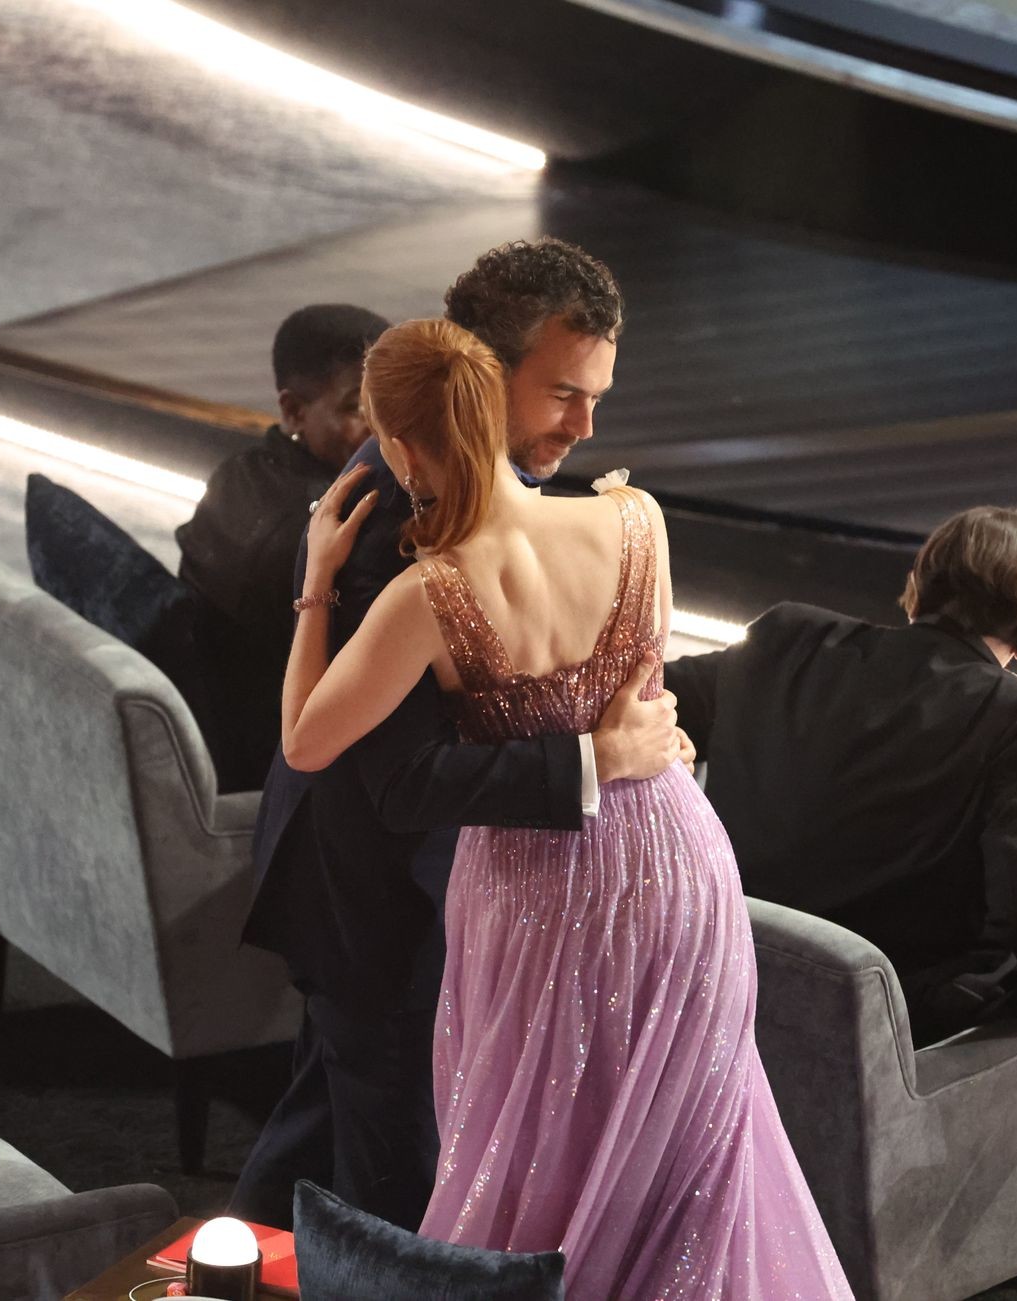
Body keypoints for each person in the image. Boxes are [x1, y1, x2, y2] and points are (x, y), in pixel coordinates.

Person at [279, 316, 852, 1299]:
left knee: (535, 1160)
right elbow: (644, 693)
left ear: (403, 447)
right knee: (693, 1168)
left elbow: (305, 740)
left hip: (535, 892)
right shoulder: (637, 520)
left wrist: (317, 584)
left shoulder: (428, 596)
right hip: (677, 865)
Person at [232, 240, 684, 1230]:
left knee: (325, 1136)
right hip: (382, 898)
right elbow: (399, 776)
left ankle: (216, 1271)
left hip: (408, 892)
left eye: (597, 396)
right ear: (482, 370)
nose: (586, 425)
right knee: (396, 1180)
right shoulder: (400, 518)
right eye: (563, 393)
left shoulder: (476, 487)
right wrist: (601, 757)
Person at [663, 507, 1017, 1048]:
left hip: (731, 959)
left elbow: (650, 697)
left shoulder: (789, 640)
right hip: (900, 1015)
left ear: (918, 585)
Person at [176, 305, 391, 792]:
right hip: (288, 778)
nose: (386, 426)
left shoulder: (237, 473)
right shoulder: (333, 534)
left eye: (393, 398)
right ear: (294, 411)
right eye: (358, 409)